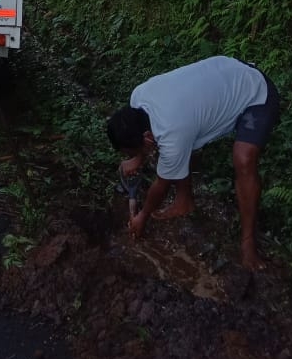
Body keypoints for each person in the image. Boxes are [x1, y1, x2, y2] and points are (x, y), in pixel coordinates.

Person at [106, 55, 280, 269]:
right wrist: (137, 157)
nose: (131, 155)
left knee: (243, 159)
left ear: (146, 137)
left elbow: (161, 185)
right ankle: (184, 202)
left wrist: (142, 216)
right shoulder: (139, 96)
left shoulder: (172, 131)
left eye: (131, 151)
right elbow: (151, 137)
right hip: (226, 71)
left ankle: (247, 243)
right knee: (173, 151)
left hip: (255, 92)